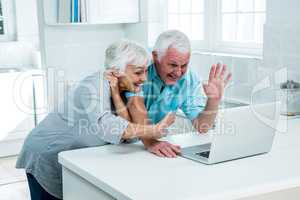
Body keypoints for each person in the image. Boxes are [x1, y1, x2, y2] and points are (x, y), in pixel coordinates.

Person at [16, 40, 175, 200]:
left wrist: (118, 96)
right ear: (116, 70)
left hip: (75, 156)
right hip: (46, 153)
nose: (144, 79)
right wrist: (153, 130)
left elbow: (130, 134)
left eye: (146, 71)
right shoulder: (93, 85)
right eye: (138, 72)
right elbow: (105, 126)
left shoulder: (124, 87)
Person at [125, 30, 232, 158]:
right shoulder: (139, 68)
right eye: (173, 65)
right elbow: (135, 107)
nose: (178, 72)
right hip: (120, 142)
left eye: (184, 65)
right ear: (155, 57)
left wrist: (213, 101)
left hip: (153, 143)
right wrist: (151, 142)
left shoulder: (189, 79)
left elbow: (202, 126)